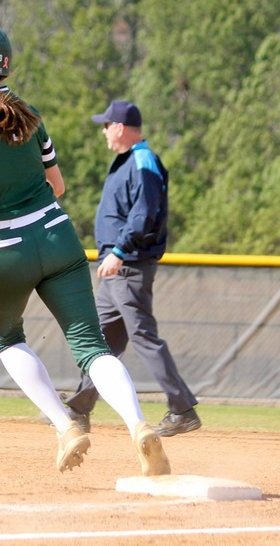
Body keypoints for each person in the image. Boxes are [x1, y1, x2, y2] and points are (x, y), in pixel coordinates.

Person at [0, 21, 170, 477]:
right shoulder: (27, 111)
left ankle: (66, 426)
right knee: (92, 347)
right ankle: (138, 425)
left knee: (7, 340)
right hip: (58, 236)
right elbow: (56, 184)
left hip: (4, 245)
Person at [61, 100, 203, 438]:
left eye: (106, 125)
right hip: (116, 269)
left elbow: (144, 211)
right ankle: (78, 408)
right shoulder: (125, 161)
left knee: (143, 336)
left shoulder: (143, 160)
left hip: (129, 265)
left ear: (121, 128)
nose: (104, 131)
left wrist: (121, 251)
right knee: (100, 343)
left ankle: (182, 409)